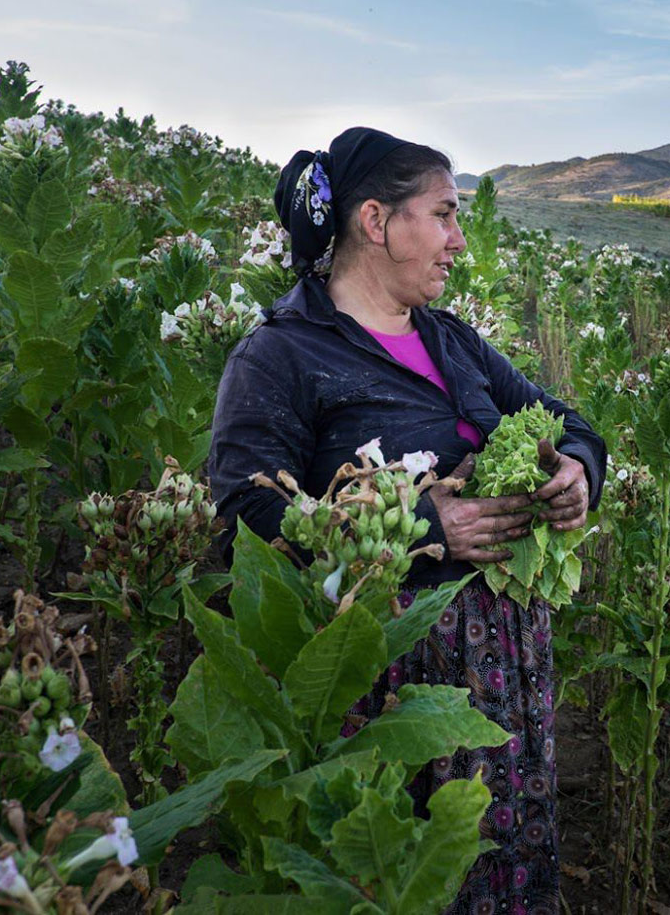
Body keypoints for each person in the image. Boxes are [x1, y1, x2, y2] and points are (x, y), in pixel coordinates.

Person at [208, 126, 606, 914]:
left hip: (498, 659)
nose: (460, 240)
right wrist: (425, 529)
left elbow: (565, 421)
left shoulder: (451, 340)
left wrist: (577, 469)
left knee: (490, 848)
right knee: (394, 868)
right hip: (383, 667)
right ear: (375, 221)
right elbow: (245, 511)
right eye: (445, 214)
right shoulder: (283, 355)